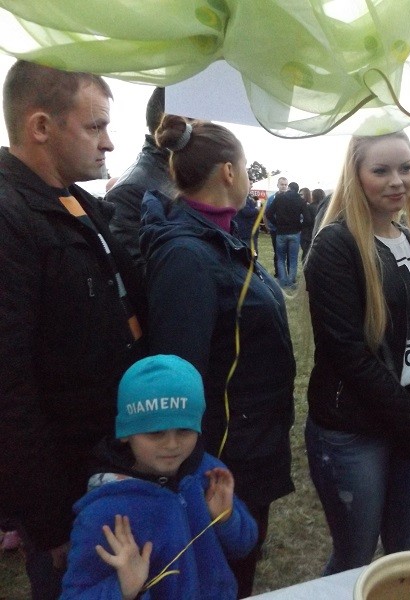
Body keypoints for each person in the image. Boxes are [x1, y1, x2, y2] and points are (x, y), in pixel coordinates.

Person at [0, 60, 147, 600]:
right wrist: (49, 519)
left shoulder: (79, 202)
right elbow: (8, 388)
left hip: (109, 457)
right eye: (95, 126)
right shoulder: (9, 217)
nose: (109, 143)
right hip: (67, 484)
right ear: (41, 126)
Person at [303, 130, 410, 574]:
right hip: (355, 428)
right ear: (356, 175)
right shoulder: (336, 246)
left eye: (405, 167)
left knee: (408, 549)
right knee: (355, 557)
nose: (397, 180)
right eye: (381, 170)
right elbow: (350, 356)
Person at [140, 116, 296, 597]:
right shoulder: (188, 255)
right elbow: (179, 374)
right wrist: (196, 473)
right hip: (223, 462)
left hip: (249, 445)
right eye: (246, 167)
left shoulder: (222, 238)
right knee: (224, 579)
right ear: (229, 171)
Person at [60, 355, 257, 600]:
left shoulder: (207, 473)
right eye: (155, 432)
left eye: (184, 430)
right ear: (126, 432)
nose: (172, 444)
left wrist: (226, 519)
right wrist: (123, 590)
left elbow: (244, 545)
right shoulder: (104, 513)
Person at [106, 87, 176, 272]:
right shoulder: (129, 191)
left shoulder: (194, 177)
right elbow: (139, 276)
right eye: (204, 122)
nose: (209, 132)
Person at [265, 180, 311, 288]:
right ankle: (290, 282)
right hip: (295, 233)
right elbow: (308, 219)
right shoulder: (300, 200)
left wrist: (276, 224)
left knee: (281, 258)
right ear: (297, 190)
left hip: (281, 232)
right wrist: (300, 227)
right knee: (293, 259)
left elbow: (268, 213)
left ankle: (282, 281)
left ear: (289, 188)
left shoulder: (279, 198)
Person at [264, 176, 288, 276]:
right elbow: (266, 213)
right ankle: (278, 273)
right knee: (277, 252)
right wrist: (267, 225)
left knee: (287, 252)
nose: (284, 186)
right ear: (278, 185)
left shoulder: (290, 198)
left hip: (287, 229)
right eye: (282, 184)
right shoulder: (271, 198)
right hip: (275, 229)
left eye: (285, 185)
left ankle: (287, 273)